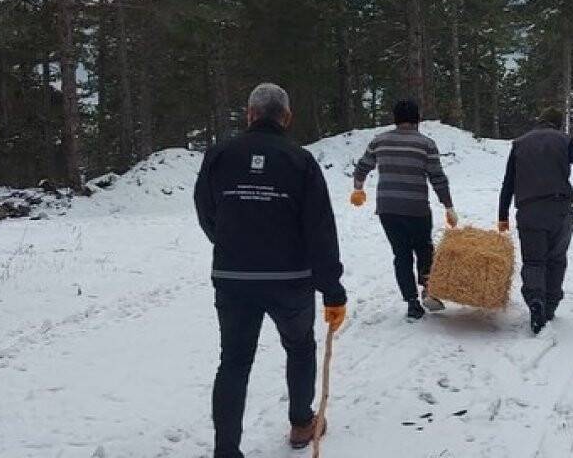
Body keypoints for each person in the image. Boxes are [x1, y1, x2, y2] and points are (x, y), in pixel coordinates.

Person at [194, 83, 348, 458]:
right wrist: (331, 287)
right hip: (290, 281)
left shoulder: (219, 155)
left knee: (233, 361)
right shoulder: (300, 161)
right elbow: (319, 228)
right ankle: (301, 422)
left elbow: (206, 211)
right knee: (298, 347)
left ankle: (226, 450)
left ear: (249, 115)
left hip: (234, 279)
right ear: (287, 117)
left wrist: (231, 244)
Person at [497, 107, 573, 334]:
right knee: (556, 259)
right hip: (559, 210)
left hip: (529, 211)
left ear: (540, 120)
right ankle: (550, 304)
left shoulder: (519, 143)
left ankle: (535, 300)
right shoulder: (564, 140)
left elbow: (508, 182)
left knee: (534, 261)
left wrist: (503, 216)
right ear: (558, 124)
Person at [351, 99, 457, 321]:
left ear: (395, 119)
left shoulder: (379, 141)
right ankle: (429, 290)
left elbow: (362, 167)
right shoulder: (426, 144)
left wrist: (358, 188)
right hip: (416, 207)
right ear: (417, 119)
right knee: (424, 249)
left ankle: (411, 303)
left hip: (388, 209)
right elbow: (437, 178)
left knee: (401, 255)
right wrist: (448, 206)